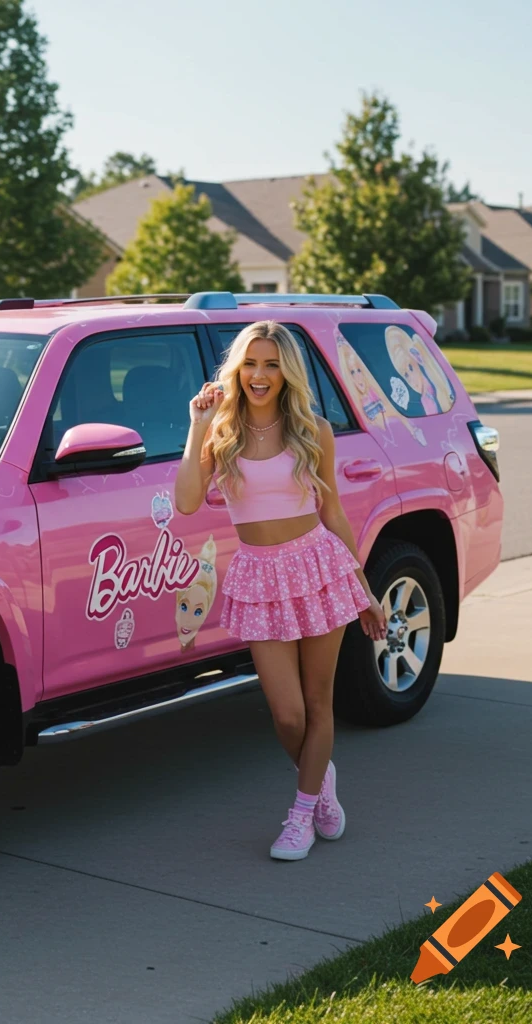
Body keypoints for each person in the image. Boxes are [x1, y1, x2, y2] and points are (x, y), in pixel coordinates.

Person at [175, 321, 387, 861]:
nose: (260, 376)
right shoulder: (222, 432)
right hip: (259, 575)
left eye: (271, 364)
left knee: (319, 705)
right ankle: (321, 777)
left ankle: (300, 815)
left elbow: (333, 510)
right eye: (251, 363)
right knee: (288, 716)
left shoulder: (313, 429)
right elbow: (186, 503)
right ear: (237, 369)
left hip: (318, 566)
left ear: (286, 371)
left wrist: (364, 587)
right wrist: (196, 426)